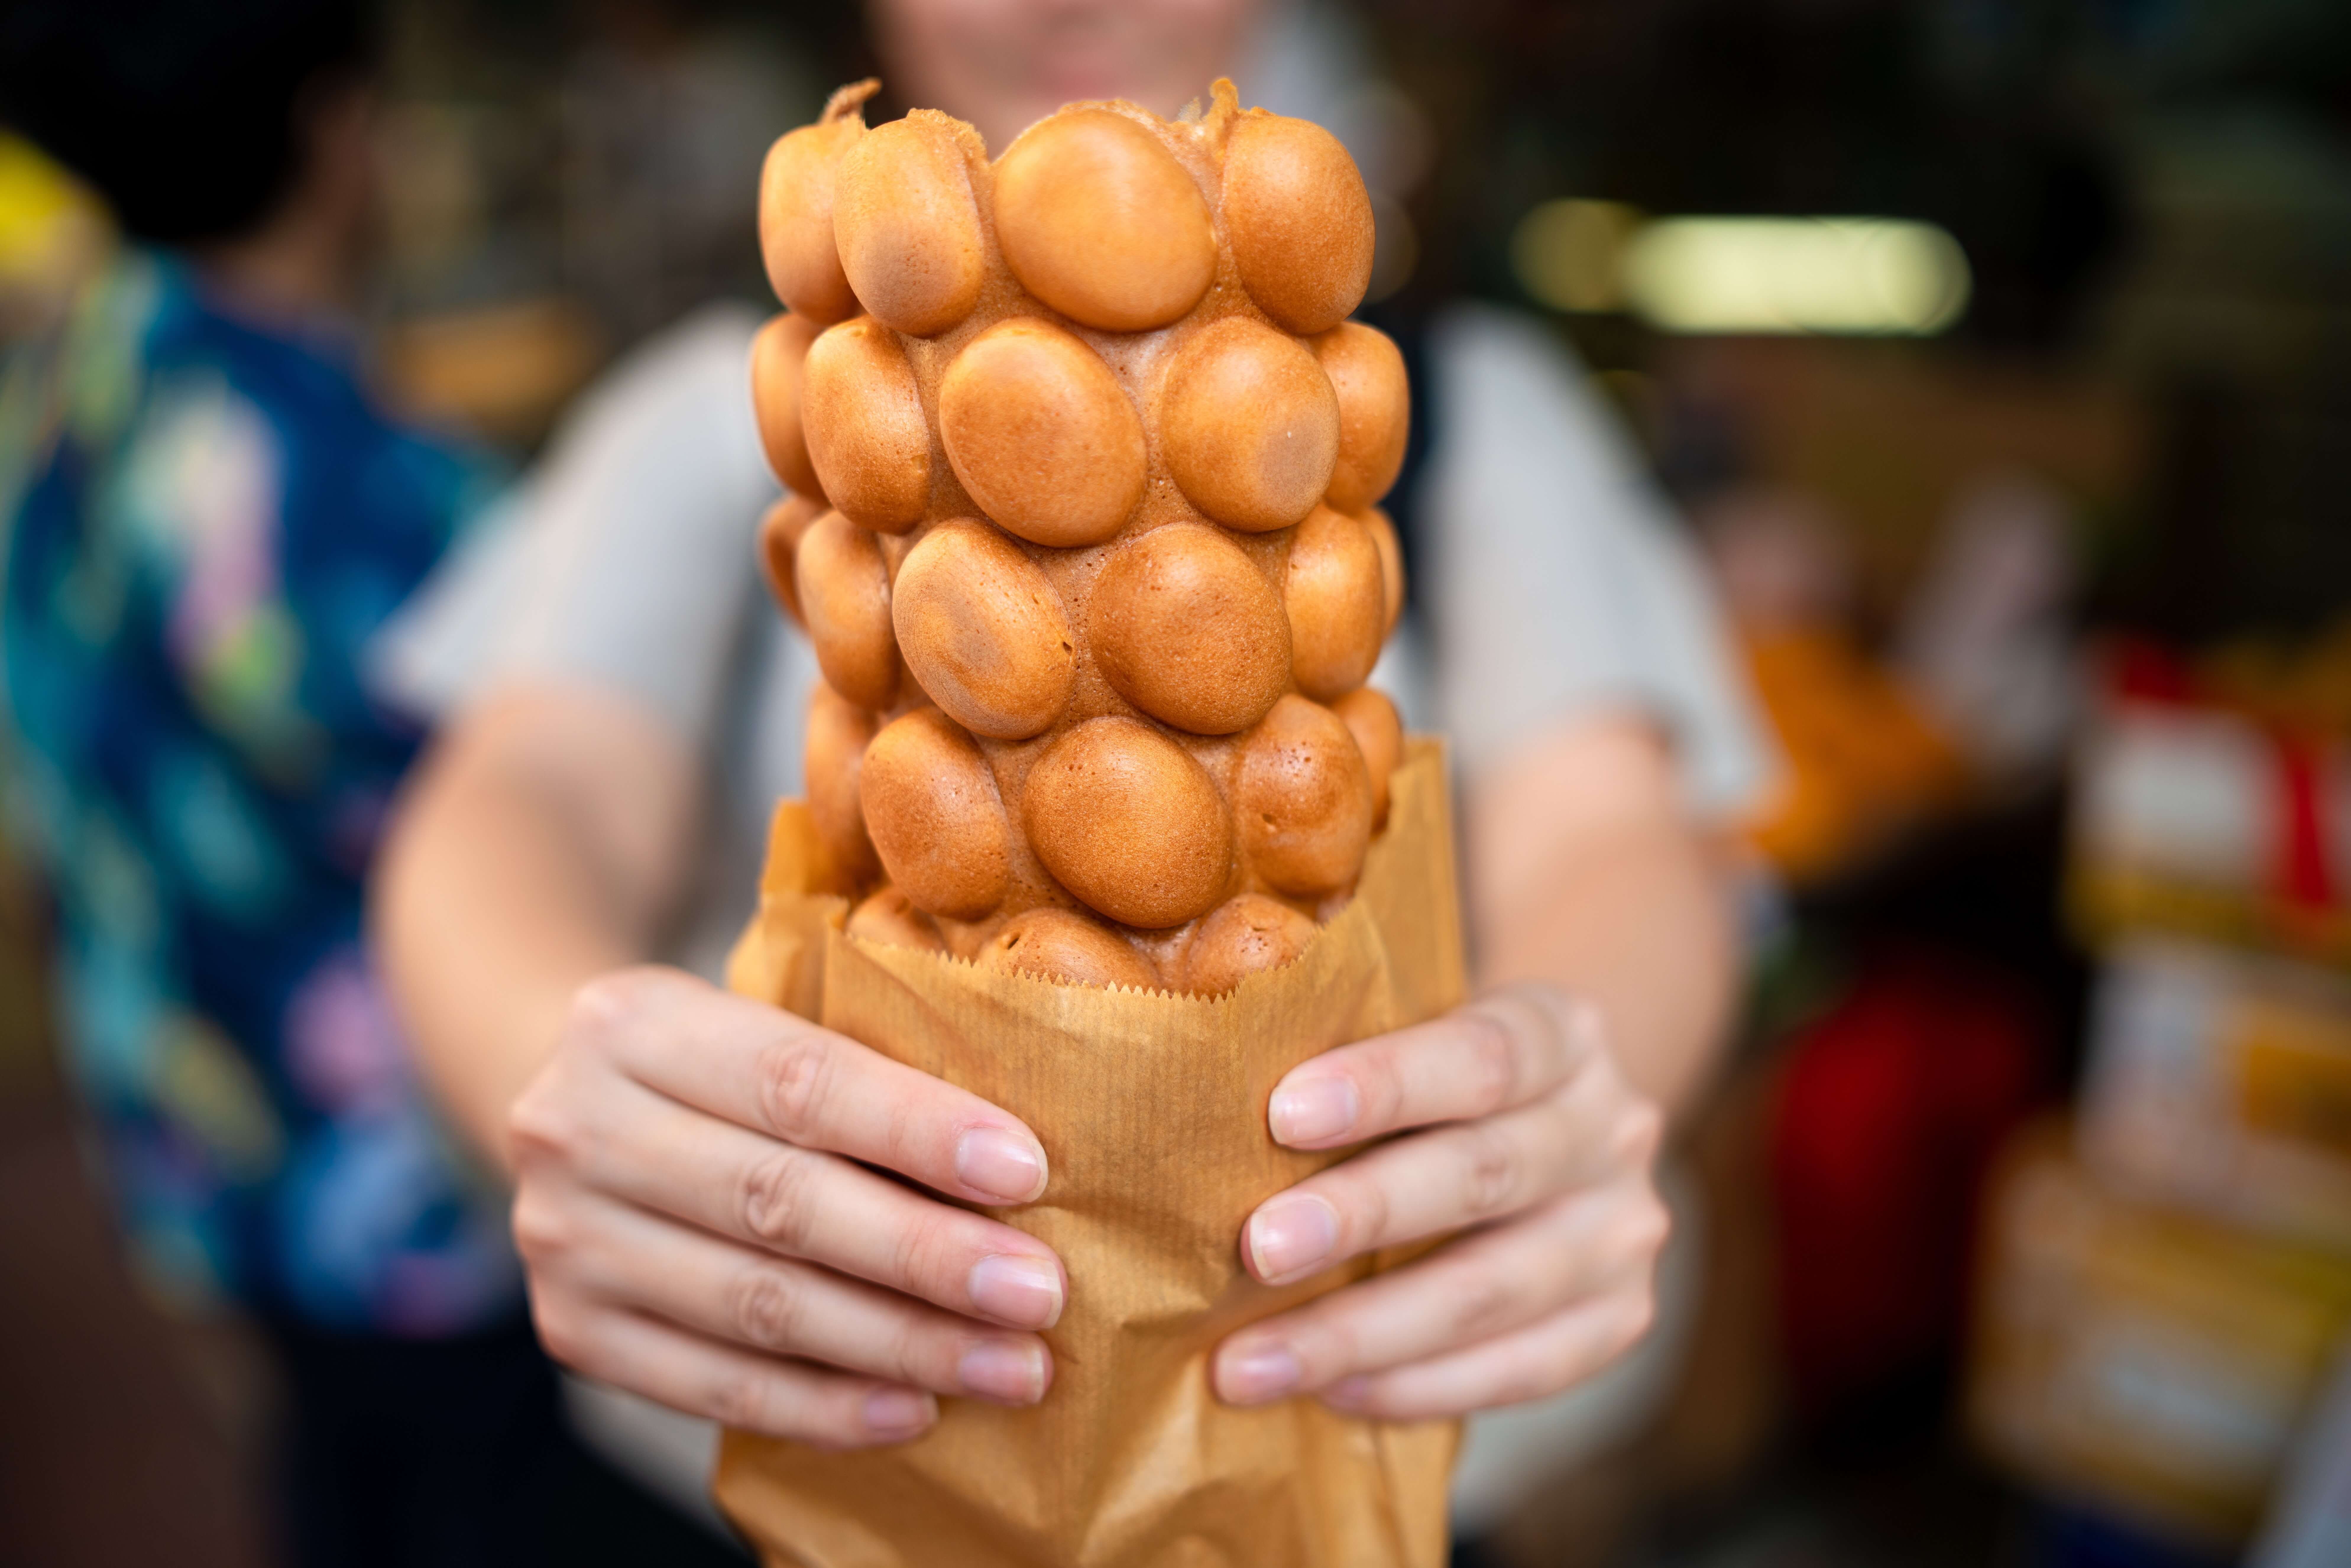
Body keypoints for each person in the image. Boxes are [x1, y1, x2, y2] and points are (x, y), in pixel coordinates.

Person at [373, 0, 1768, 1550]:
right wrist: (544, 1054)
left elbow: (1611, 829)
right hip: (792, 1486)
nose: (1066, 0)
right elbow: (532, 787)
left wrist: (1577, 1080)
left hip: (1333, 1471)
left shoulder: (1480, 410)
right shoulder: (703, 412)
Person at [0, 2, 748, 1561]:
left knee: (329, 1484)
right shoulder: (362, 484)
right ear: (339, 134)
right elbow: (517, 785)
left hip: (200, 1134)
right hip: (419, 1186)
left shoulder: (66, 383)